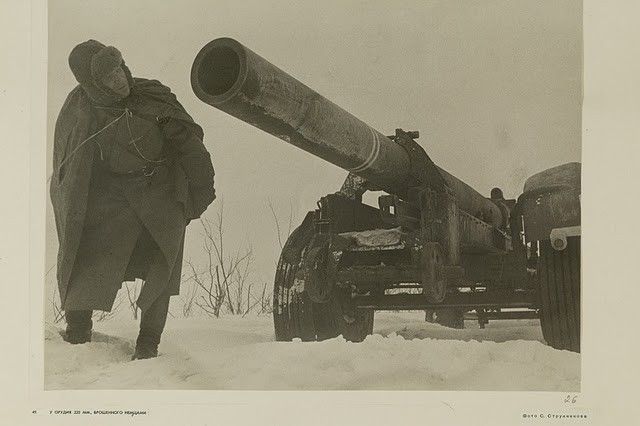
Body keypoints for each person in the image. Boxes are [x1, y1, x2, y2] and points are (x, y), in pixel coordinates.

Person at [50, 40, 216, 359]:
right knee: (83, 246)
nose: (119, 80)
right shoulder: (81, 108)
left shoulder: (153, 95)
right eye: (108, 78)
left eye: (119, 70)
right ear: (93, 85)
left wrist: (201, 189)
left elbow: (190, 146)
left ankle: (148, 342)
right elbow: (70, 165)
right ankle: (77, 330)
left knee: (163, 257)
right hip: (111, 195)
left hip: (159, 191)